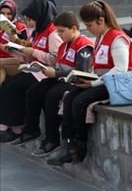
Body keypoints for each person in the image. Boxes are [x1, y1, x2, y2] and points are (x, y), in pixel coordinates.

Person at [47, 0, 132, 166]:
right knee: (69, 98)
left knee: (79, 102)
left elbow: (121, 69)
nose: (88, 29)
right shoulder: (101, 37)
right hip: (104, 81)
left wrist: (93, 83)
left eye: (89, 25)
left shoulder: (118, 38)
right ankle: (67, 144)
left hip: (121, 83)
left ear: (101, 20)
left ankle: (80, 145)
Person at [22, 11, 94, 156]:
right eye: (58, 31)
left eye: (62, 31)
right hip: (60, 78)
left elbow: (81, 72)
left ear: (74, 28)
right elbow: (60, 65)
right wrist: (48, 70)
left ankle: (52, 139)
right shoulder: (64, 45)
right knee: (34, 91)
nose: (59, 35)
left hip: (75, 82)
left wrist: (56, 73)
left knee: (52, 96)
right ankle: (31, 130)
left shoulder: (83, 46)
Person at [0, 0, 60, 143]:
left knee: (15, 87)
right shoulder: (38, 32)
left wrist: (32, 51)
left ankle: (17, 126)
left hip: (44, 72)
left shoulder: (52, 33)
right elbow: (30, 54)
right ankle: (13, 125)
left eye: (31, 19)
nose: (29, 22)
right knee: (9, 85)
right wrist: (15, 51)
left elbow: (55, 58)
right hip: (33, 68)